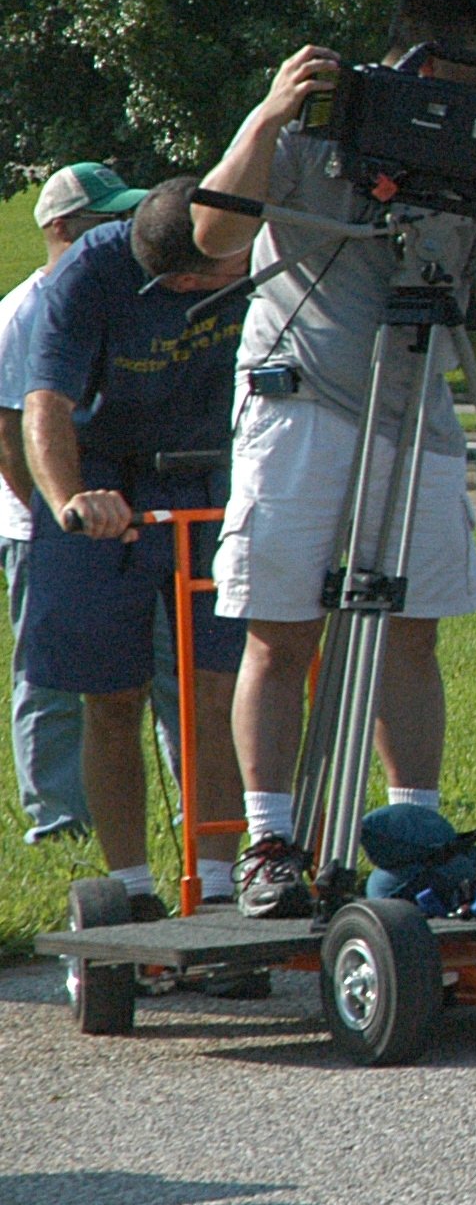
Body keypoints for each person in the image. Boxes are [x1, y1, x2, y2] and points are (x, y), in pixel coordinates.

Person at [196, 0, 476, 917]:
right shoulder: (323, 112)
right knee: (282, 634)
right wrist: (267, 118)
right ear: (432, 48)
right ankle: (273, 844)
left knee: (414, 635)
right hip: (301, 400)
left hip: (420, 411)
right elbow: (211, 234)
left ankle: (413, 845)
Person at [18, 179, 252, 917]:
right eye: (209, 278)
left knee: (216, 690)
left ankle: (216, 885)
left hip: (210, 472)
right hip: (105, 481)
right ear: (176, 277)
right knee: (112, 698)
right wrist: (68, 501)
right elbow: (44, 403)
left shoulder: (252, 242)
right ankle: (131, 891)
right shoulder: (89, 273)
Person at [0, 165, 179, 843]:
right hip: (39, 523)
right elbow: (12, 431)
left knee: (162, 668)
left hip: (116, 518)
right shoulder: (26, 311)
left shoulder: (110, 298)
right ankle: (58, 816)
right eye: (102, 223)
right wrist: (54, 516)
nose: (117, 235)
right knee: (51, 679)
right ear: (58, 229)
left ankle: (191, 805)